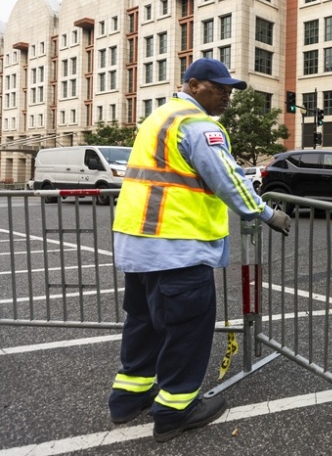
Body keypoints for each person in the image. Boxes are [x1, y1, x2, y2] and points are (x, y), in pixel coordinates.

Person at [107, 58, 291, 442]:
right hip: (177, 246)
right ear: (192, 85)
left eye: (229, 90)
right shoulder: (199, 125)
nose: (226, 95)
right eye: (218, 87)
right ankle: (176, 410)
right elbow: (226, 179)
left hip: (139, 243)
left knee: (143, 321)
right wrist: (267, 213)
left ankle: (129, 396)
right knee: (187, 328)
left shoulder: (159, 118)